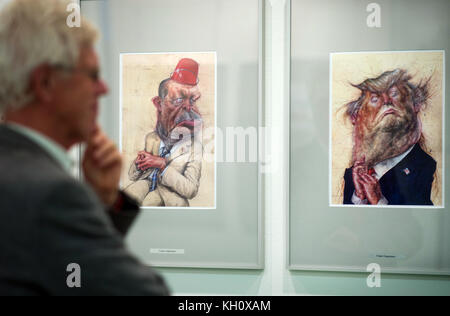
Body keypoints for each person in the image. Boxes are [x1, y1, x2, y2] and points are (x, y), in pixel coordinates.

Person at [0, 0, 170, 295]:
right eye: (91, 75)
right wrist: (97, 206)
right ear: (46, 83)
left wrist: (102, 203)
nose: (103, 89)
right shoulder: (52, 194)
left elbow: (69, 279)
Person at [343, 69, 436, 205]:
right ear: (356, 116)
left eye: (394, 94)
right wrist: (359, 196)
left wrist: (379, 201)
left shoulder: (426, 168)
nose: (386, 101)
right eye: (375, 99)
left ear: (415, 105)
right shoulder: (353, 175)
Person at [125, 58, 204, 207]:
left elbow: (191, 190)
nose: (188, 107)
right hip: (145, 186)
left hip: (170, 198)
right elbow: (132, 176)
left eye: (192, 101)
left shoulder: (194, 147)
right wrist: (139, 162)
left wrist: (162, 165)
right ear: (159, 104)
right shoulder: (151, 138)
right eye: (179, 99)